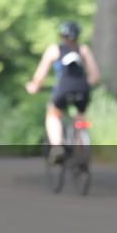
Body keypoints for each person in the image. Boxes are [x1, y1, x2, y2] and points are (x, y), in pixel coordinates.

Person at [26, 21, 100, 165]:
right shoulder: (83, 49)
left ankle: (58, 146)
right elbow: (95, 76)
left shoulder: (55, 50)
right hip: (82, 88)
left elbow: (40, 75)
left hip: (63, 87)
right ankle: (81, 151)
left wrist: (34, 86)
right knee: (80, 117)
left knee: (53, 114)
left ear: (62, 35)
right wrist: (84, 84)